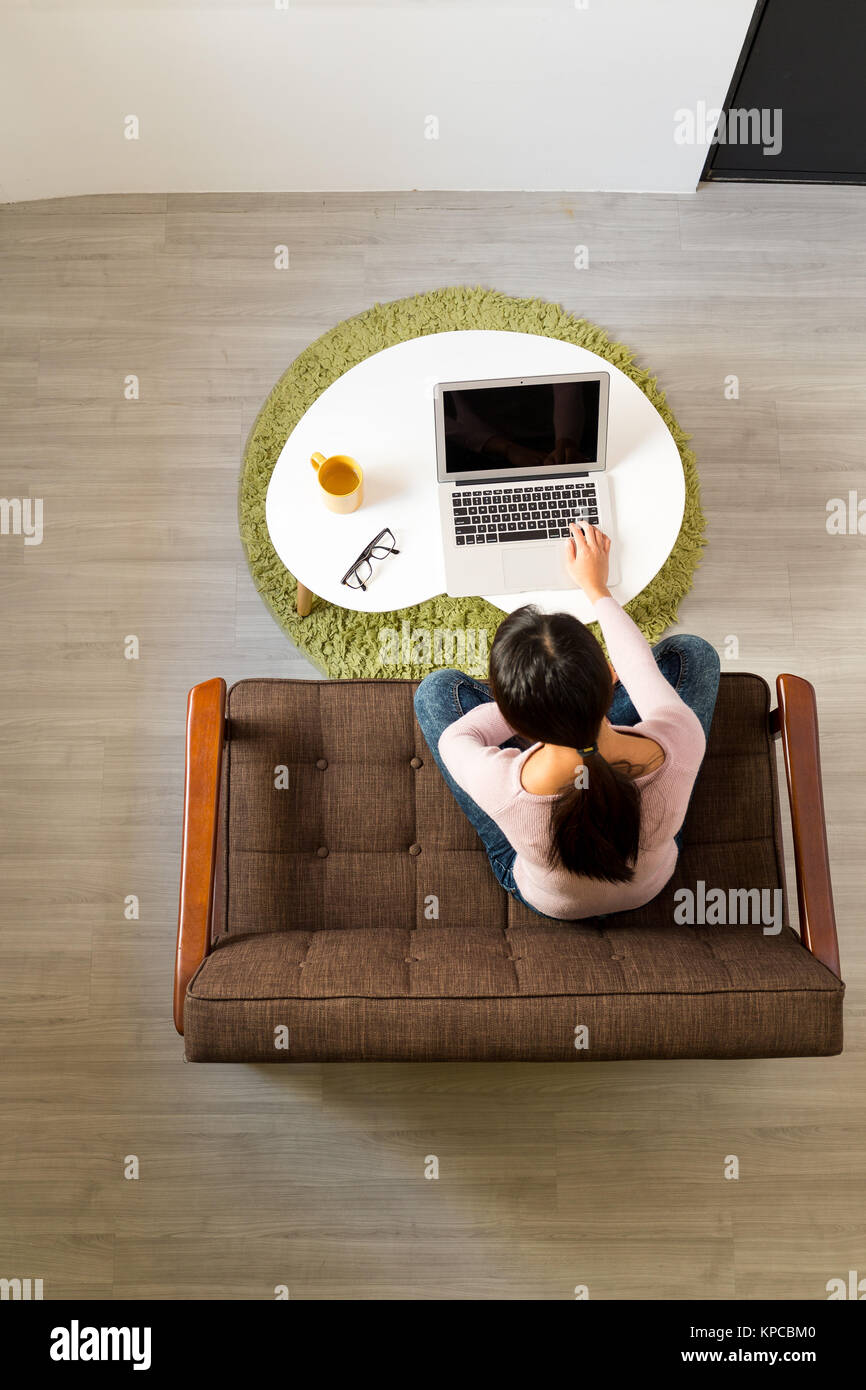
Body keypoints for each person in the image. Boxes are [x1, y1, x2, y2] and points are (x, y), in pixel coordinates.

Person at [414, 523, 720, 920]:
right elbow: (639, 665)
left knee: (436, 689)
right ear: (611, 685)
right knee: (693, 652)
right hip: (649, 879)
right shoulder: (680, 741)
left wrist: (533, 703)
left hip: (549, 897)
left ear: (518, 726)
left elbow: (460, 734)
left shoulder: (503, 785)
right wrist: (597, 589)